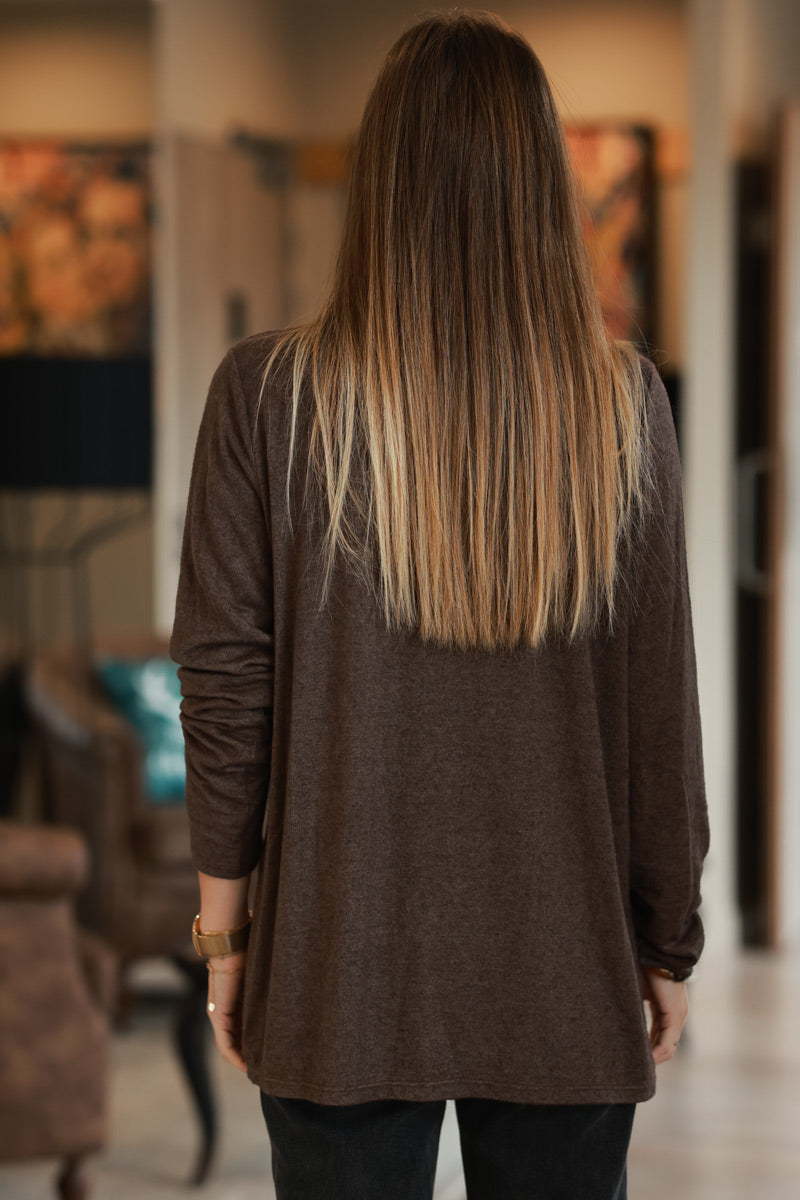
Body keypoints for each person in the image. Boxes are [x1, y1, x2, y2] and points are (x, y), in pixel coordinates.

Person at [170, 11, 709, 1200]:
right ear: (538, 185)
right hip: (561, 962)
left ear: (379, 178)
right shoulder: (621, 406)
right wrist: (666, 937)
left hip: (333, 965)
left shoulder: (266, 395)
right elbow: (657, 707)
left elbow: (222, 691)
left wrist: (226, 939)